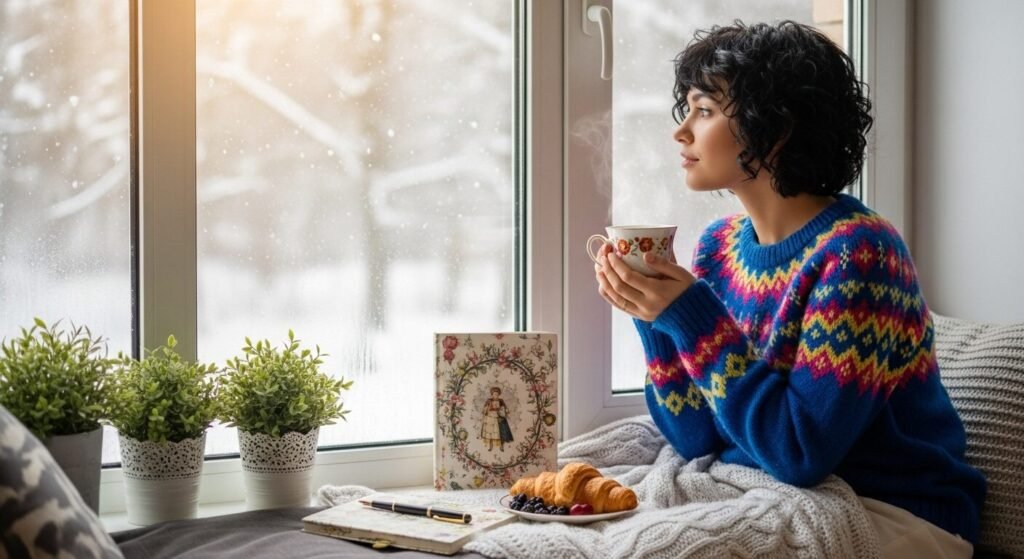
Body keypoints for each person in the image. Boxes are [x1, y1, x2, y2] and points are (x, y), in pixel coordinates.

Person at [593, 20, 985, 558]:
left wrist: (690, 317)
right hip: (786, 489)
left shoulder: (860, 253)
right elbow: (697, 439)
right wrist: (655, 317)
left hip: (897, 511)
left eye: (704, 110)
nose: (680, 132)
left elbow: (800, 451)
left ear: (774, 126)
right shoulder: (720, 245)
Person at [480, 386, 513, 451]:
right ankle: (490, 446)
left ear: (499, 394)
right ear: (492, 394)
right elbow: (484, 410)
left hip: (499, 418)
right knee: (490, 433)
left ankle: (502, 446)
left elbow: (505, 408)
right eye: (494, 394)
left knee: (501, 434)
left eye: (497, 394)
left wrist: (506, 411)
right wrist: (488, 408)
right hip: (490, 418)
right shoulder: (489, 400)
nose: (496, 395)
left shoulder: (501, 401)